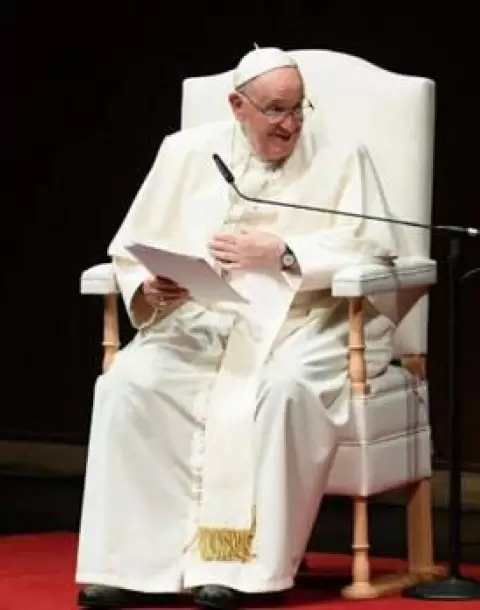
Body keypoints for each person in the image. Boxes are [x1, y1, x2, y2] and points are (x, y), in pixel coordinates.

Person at [76, 47, 401, 610]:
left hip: (307, 319)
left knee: (277, 390)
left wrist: (284, 250)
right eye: (276, 110)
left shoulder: (343, 155)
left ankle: (242, 571)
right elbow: (135, 247)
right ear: (236, 105)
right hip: (204, 317)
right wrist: (153, 286)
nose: (291, 124)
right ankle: (133, 568)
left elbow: (371, 247)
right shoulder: (184, 153)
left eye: (299, 109)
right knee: (129, 383)